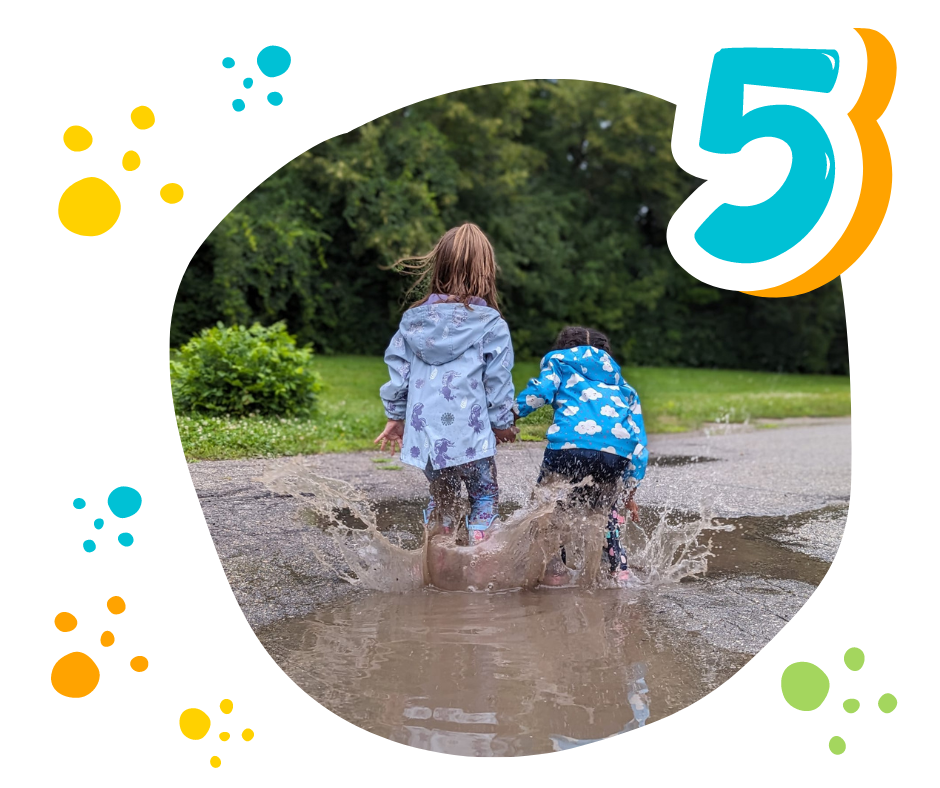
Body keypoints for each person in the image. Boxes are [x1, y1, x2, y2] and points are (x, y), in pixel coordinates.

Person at [375, 223, 517, 544]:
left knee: (443, 504)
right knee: (483, 498)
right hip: (470, 437)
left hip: (427, 439)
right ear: (486, 272)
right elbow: (497, 381)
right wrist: (503, 423)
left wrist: (395, 416)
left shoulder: (414, 321)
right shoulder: (490, 324)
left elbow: (398, 374)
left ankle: (437, 555)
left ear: (438, 267)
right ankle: (477, 564)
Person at [514, 326, 648, 583]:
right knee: (606, 512)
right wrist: (629, 491)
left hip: (569, 448)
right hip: (615, 455)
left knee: (550, 508)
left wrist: (509, 415)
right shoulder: (622, 386)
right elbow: (639, 445)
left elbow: (540, 393)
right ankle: (618, 572)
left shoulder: (559, 362)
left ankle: (555, 572)